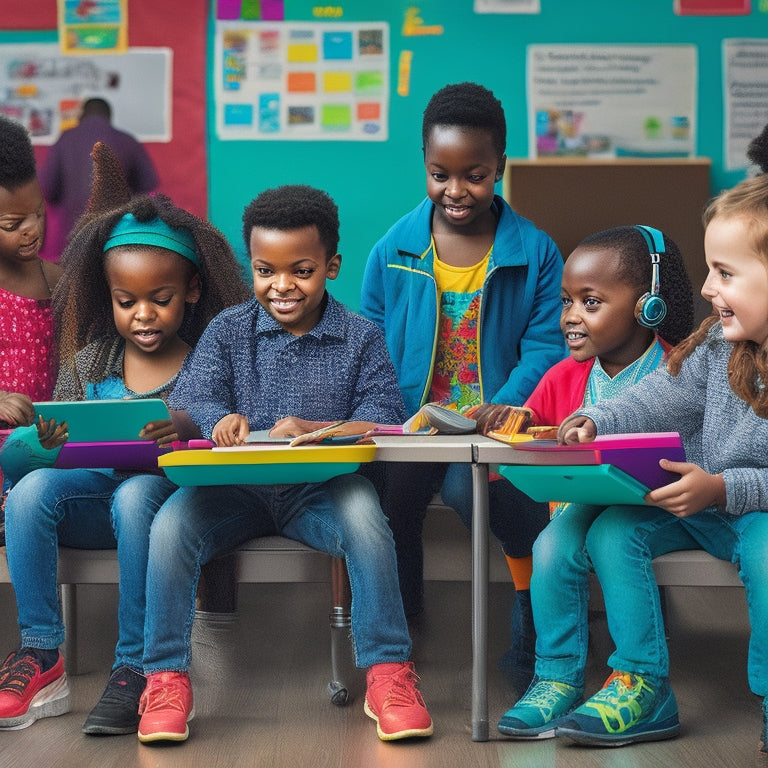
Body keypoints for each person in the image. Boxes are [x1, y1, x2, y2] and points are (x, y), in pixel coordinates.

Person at [132, 184, 433, 745]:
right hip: (235, 490)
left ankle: (389, 672)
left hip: (321, 490)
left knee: (368, 522)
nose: (282, 285)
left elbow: (385, 414)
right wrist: (217, 416)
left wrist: (318, 430)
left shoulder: (361, 336)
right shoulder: (227, 329)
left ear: (332, 266)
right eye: (266, 269)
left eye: (301, 269)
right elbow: (196, 397)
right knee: (170, 524)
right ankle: (166, 676)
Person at [0, 141, 250, 735]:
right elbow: (21, 460)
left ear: (190, 293)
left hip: (167, 510)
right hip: (92, 503)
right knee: (33, 490)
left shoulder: (207, 366)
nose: (142, 314)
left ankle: (134, 665)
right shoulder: (88, 366)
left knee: (136, 495)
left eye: (159, 300)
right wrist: (43, 445)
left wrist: (187, 432)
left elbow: (230, 447)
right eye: (125, 301)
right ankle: (42, 653)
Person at [528, 136, 768, 750]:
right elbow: (662, 396)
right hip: (705, 503)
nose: (710, 289)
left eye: (726, 273)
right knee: (613, 531)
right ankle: (642, 683)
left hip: (755, 508)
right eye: (710, 271)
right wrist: (597, 419)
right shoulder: (716, 343)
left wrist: (723, 487)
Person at [359, 82, 565, 678]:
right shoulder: (393, 248)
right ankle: (401, 630)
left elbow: (546, 346)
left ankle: (532, 609)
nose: (456, 191)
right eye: (439, 173)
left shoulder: (535, 251)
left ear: (499, 164)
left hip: (498, 425)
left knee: (472, 491)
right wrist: (390, 421)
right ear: (424, 167)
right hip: (411, 424)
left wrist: (502, 408)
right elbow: (369, 344)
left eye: (474, 174)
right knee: (391, 504)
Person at [496, 225, 694, 738]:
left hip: (659, 506)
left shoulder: (681, 369)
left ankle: (637, 682)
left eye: (591, 302)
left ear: (646, 306)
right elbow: (532, 428)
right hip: (582, 504)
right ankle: (557, 678)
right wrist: (512, 424)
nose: (570, 318)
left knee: (612, 539)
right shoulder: (564, 375)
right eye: (566, 301)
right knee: (551, 546)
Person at [0, 114, 64, 543]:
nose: (33, 231)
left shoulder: (56, 281)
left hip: (48, 441)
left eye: (38, 214)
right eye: (13, 224)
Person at [39, 97, 159, 248]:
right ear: (109, 116)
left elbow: (48, 190)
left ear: (81, 116)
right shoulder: (128, 140)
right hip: (118, 234)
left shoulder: (65, 139)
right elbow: (148, 187)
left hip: (74, 235)